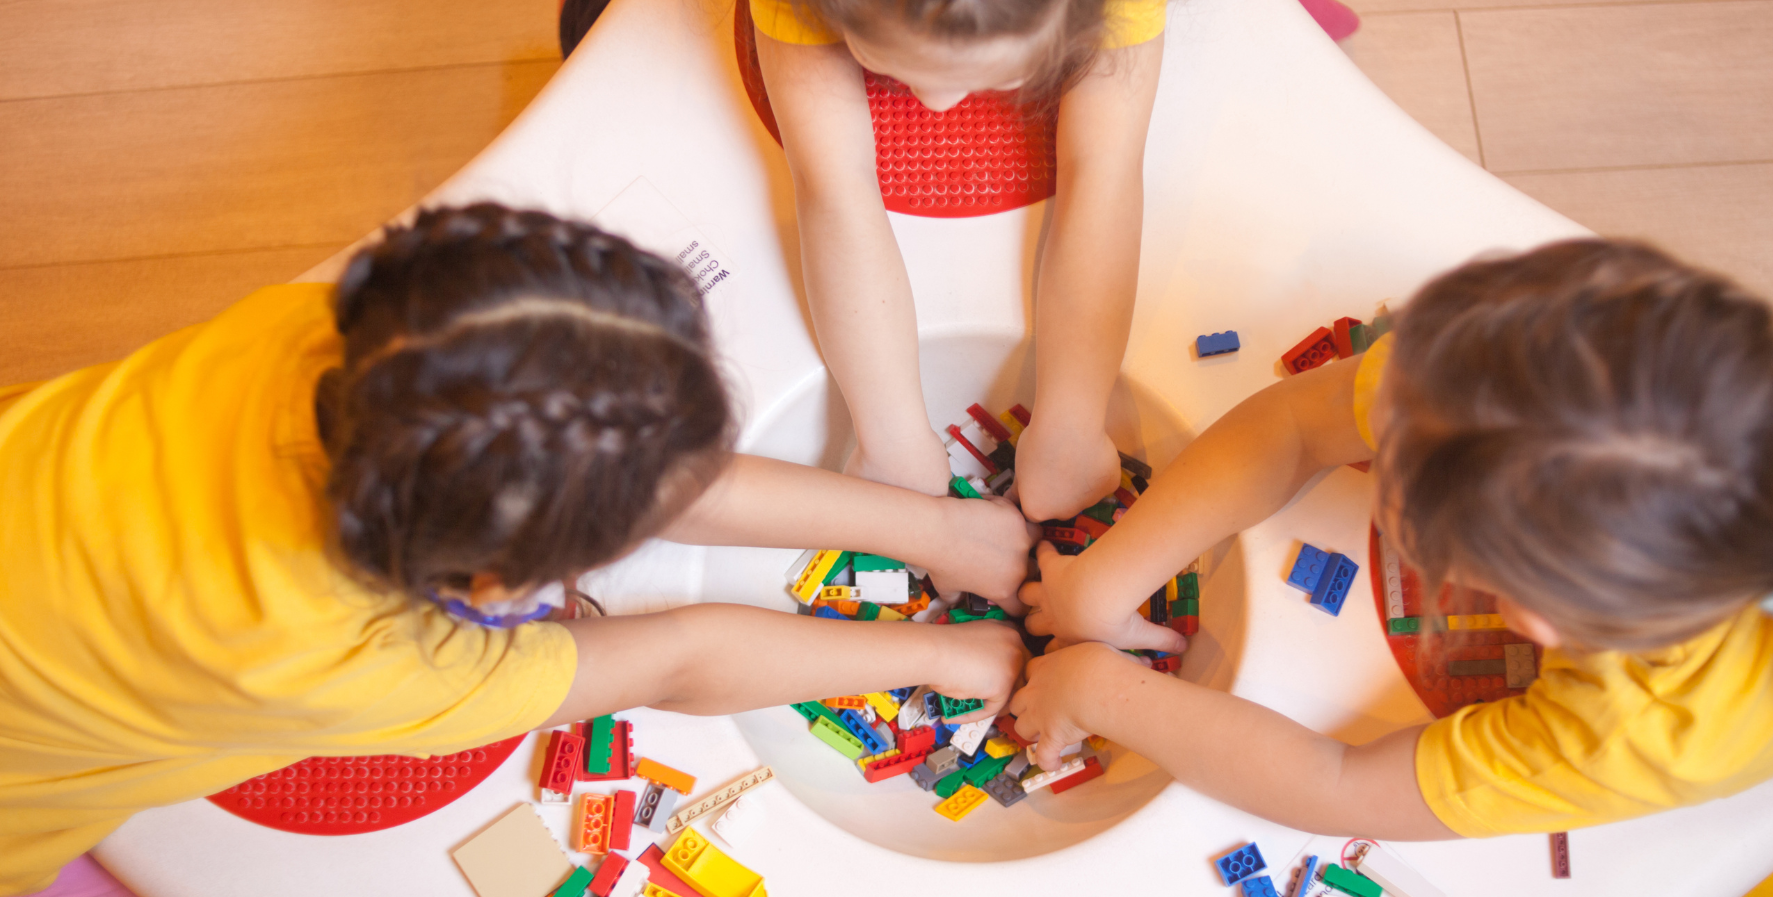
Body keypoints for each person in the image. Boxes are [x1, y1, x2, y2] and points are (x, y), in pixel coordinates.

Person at [0, 204, 1032, 894]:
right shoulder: (353, 657)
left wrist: (931, 527)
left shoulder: (368, 335)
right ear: (490, 589)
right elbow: (676, 661)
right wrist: (942, 654)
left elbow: (627, 461)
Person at [1009, 239, 1773, 839]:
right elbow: (1300, 421)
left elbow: (1343, 789)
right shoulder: (1626, 382)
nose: (1361, 410)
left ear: (1530, 617)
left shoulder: (1649, 732)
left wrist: (1102, 690)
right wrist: (1100, 583)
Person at [561, 0, 1276, 522]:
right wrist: (889, 439)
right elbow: (833, 184)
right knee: (639, 51)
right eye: (893, 62)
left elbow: (1106, 168)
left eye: (997, 75)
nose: (939, 104)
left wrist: (1072, 424)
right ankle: (600, 2)